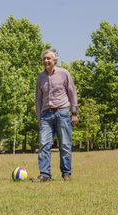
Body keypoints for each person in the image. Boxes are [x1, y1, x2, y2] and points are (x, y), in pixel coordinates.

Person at [33, 49, 78, 182]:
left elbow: (72, 93)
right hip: (46, 115)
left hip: (62, 112)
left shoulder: (64, 73)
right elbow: (38, 99)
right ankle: (45, 175)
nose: (46, 61)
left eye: (48, 58)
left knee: (64, 144)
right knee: (43, 145)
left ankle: (66, 173)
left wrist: (74, 112)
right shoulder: (40, 77)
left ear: (55, 60)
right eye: (44, 59)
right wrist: (39, 117)